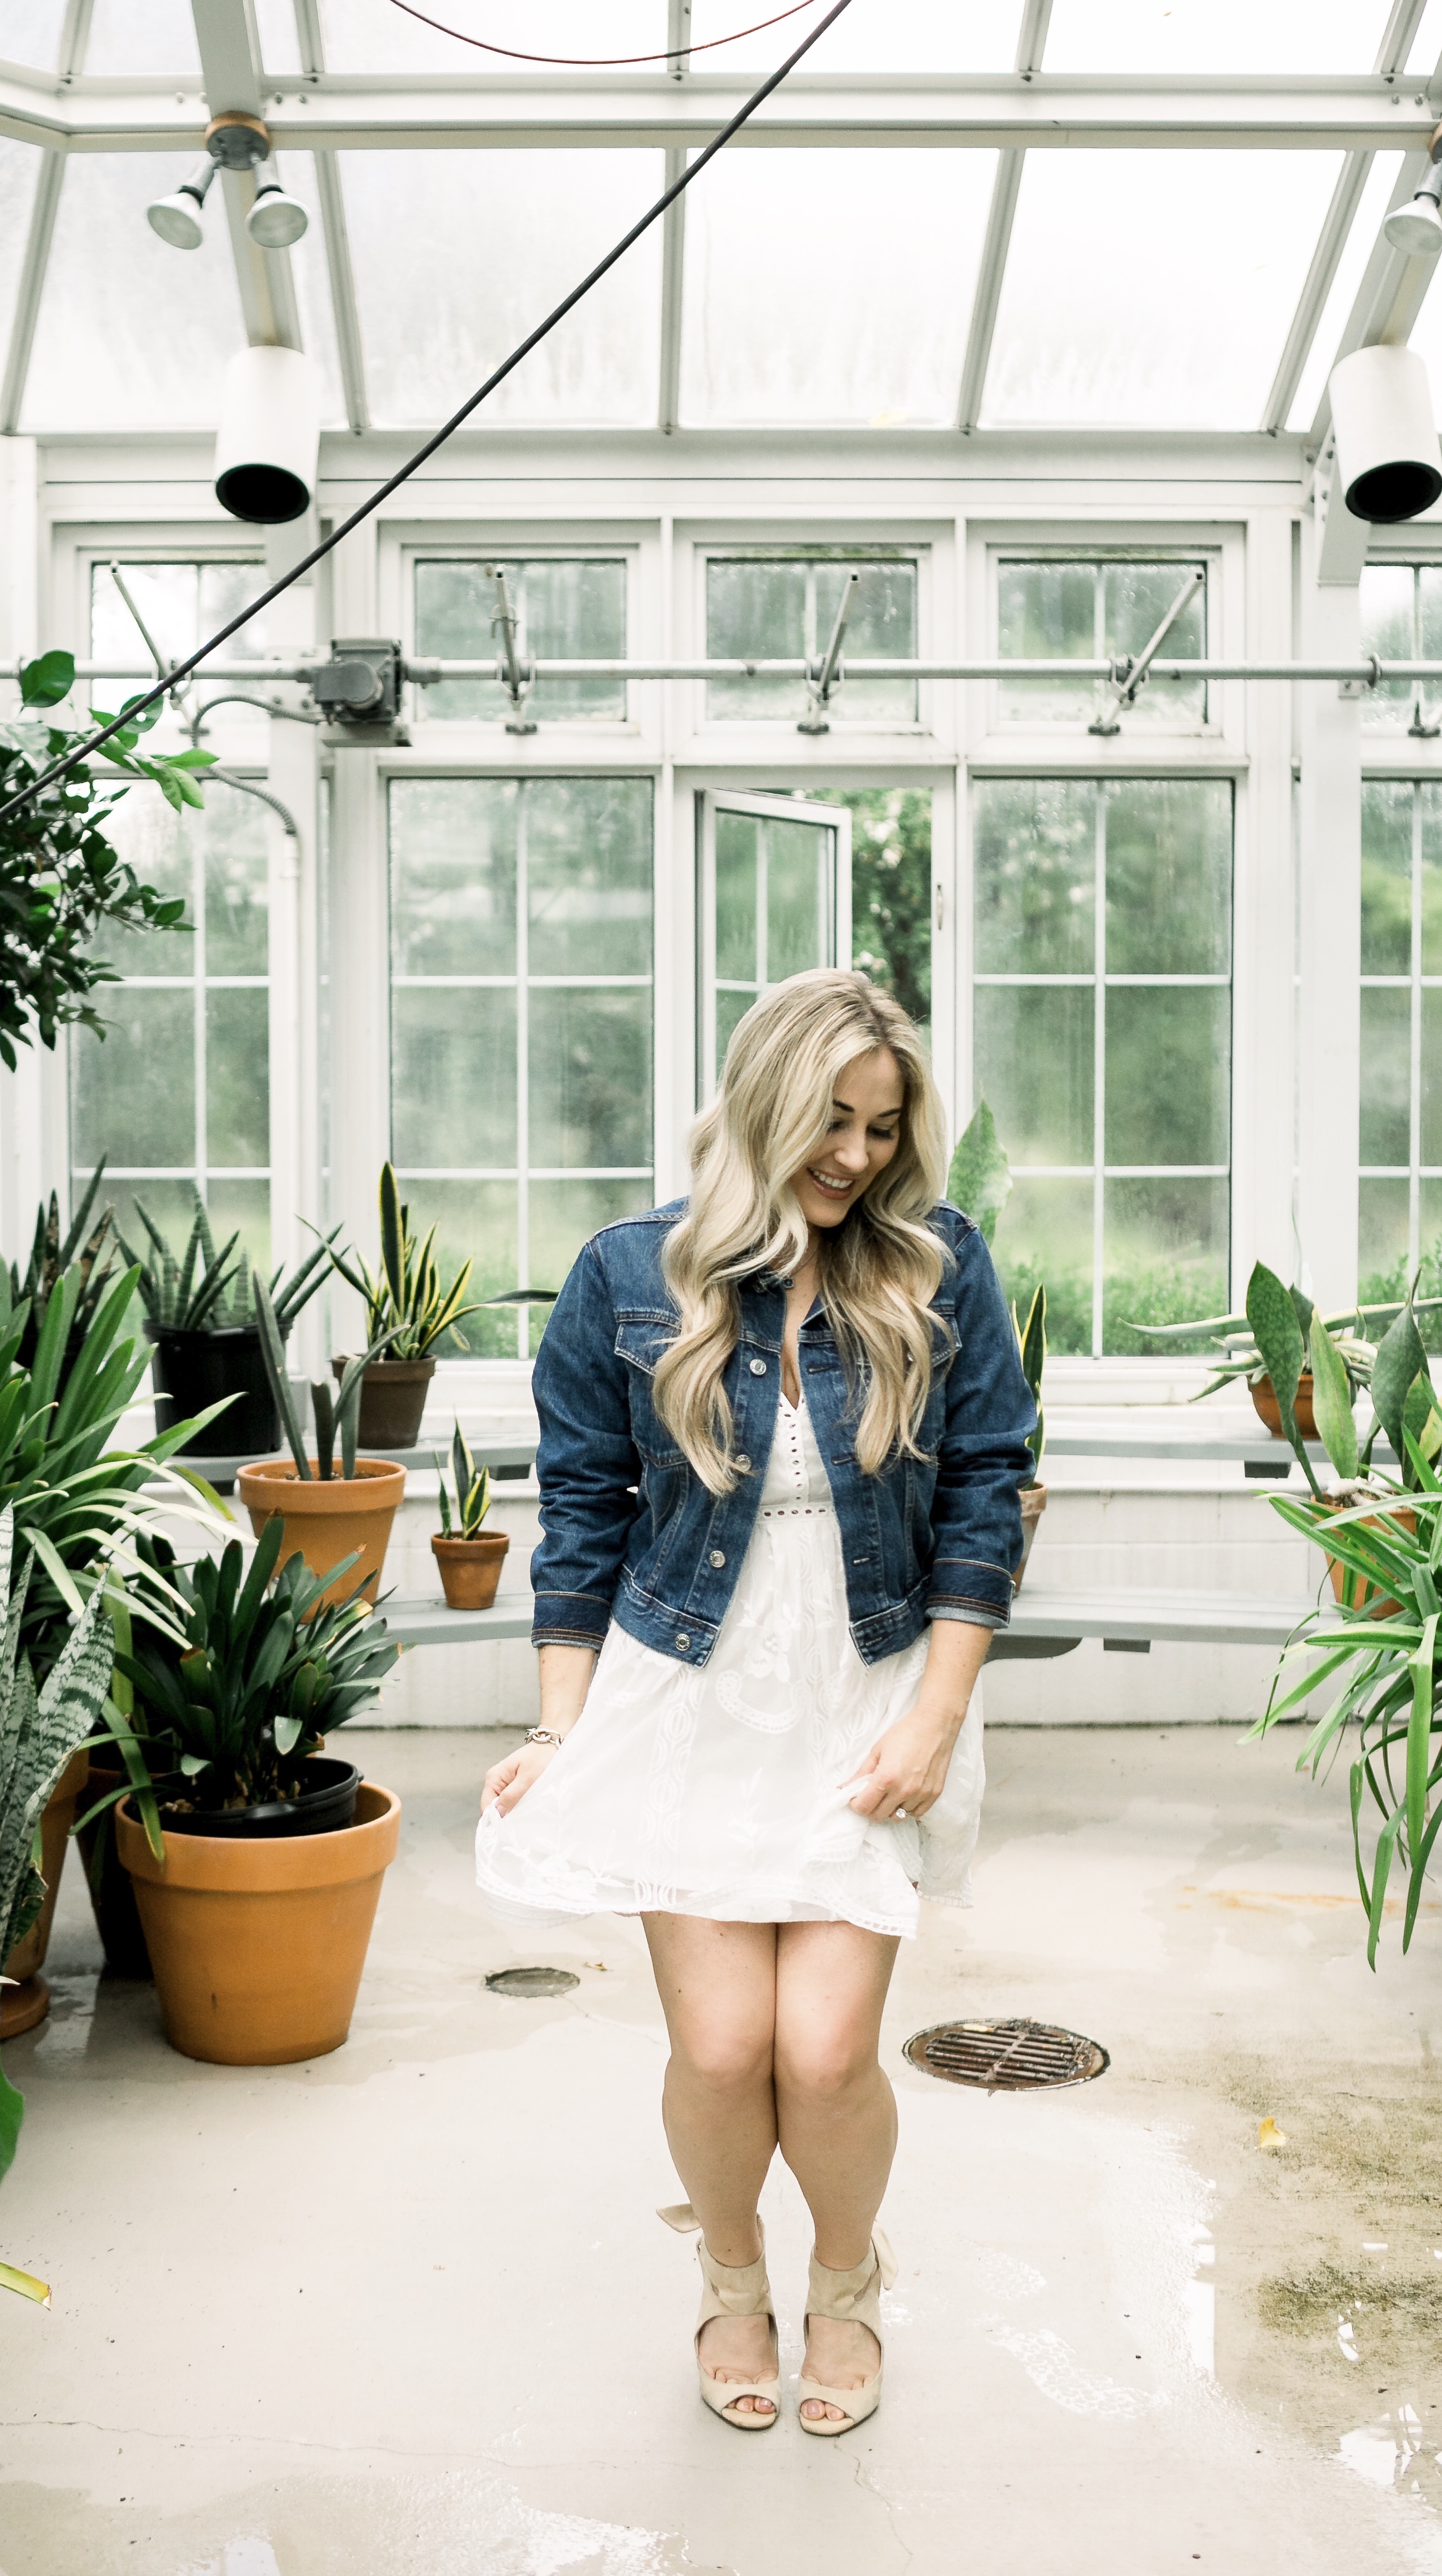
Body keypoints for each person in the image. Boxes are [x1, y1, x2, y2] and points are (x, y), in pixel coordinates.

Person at [476, 968, 1034, 2436]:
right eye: (830, 1121)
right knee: (723, 2049)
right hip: (684, 1697)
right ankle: (733, 2279)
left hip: (871, 1688)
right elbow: (582, 1516)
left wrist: (938, 1714)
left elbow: (989, 1489)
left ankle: (842, 2285)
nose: (854, 1156)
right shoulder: (625, 1275)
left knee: (827, 2051)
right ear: (761, 1102)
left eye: (880, 1127)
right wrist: (558, 1724)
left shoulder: (936, 1262)